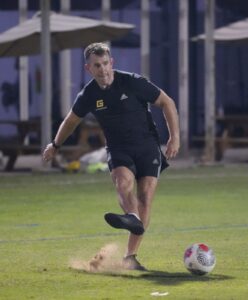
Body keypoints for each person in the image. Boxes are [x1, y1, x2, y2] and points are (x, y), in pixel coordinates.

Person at [43, 42, 180, 271]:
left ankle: (130, 257)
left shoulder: (132, 82)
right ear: (89, 69)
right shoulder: (88, 94)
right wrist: (55, 144)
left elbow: (167, 102)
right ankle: (132, 216)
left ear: (111, 63)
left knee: (145, 198)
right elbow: (70, 122)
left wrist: (175, 137)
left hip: (147, 146)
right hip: (119, 149)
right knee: (123, 182)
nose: (103, 70)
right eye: (97, 66)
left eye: (105, 64)